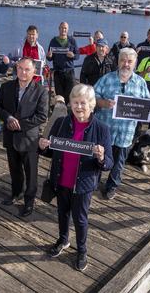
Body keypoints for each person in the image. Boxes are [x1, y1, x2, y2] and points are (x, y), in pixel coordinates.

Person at [39, 84, 113, 272]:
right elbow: (51, 152)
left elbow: (109, 163)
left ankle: (82, 250)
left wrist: (101, 157)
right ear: (70, 103)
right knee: (62, 213)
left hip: (83, 184)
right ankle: (63, 240)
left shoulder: (101, 129)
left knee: (80, 219)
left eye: (83, 103)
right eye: (75, 103)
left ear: (91, 105)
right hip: (61, 178)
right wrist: (43, 146)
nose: (79, 107)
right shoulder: (61, 123)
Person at [94, 48, 150, 200]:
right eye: (123, 60)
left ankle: (111, 187)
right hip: (105, 129)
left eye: (130, 61)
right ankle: (93, 181)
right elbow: (92, 96)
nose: (126, 64)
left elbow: (147, 103)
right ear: (118, 61)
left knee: (119, 162)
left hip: (126, 131)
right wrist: (103, 102)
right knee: (98, 156)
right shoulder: (106, 79)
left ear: (135, 64)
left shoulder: (140, 82)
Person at [0, 58, 49, 217]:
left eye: (27, 69)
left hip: (29, 139)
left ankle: (29, 201)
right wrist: (8, 118)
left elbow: (42, 116)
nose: (23, 72)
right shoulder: (6, 87)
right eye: (20, 69)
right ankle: (16, 192)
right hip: (10, 137)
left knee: (31, 172)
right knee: (14, 169)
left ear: (34, 72)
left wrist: (19, 124)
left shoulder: (41, 91)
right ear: (16, 69)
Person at [47, 22, 79, 104]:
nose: (63, 30)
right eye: (61, 28)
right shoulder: (53, 41)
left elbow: (77, 56)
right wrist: (49, 56)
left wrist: (73, 55)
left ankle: (68, 113)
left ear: (67, 29)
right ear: (59, 29)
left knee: (70, 95)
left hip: (69, 72)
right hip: (58, 72)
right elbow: (49, 58)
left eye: (65, 28)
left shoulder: (72, 40)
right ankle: (59, 113)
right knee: (59, 96)